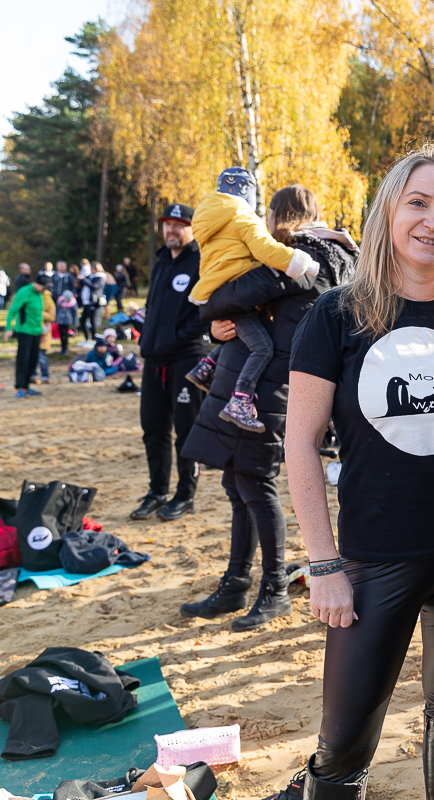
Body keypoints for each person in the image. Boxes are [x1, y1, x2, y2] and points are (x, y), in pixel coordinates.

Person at [262, 147, 434, 800]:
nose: (433, 222)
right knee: (344, 745)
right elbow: (299, 446)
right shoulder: (337, 315)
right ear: (388, 210)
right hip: (372, 561)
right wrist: (323, 565)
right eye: (418, 203)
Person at [179, 185, 350, 632]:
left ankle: (273, 590)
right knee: (239, 485)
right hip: (274, 383)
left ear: (278, 216)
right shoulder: (341, 257)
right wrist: (221, 330)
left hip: (273, 388)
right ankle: (236, 582)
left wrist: (210, 316)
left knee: (254, 484)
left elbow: (223, 296)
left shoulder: (301, 258)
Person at [185, 167, 319, 433]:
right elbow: (264, 249)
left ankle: (205, 366)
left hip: (219, 291)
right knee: (262, 347)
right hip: (237, 292)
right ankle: (241, 401)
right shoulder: (242, 216)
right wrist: (298, 261)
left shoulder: (211, 219)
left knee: (247, 332)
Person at [131, 204, 209, 522]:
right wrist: (147, 337)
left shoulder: (201, 261)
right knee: (153, 428)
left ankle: (185, 495)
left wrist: (174, 338)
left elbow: (205, 312)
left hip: (186, 359)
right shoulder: (161, 262)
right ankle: (157, 491)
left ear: (191, 229)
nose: (171, 230)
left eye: (178, 225)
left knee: (186, 431)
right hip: (154, 360)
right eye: (167, 224)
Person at [5, 273, 52, 398]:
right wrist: (8, 328)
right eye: (44, 287)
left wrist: (41, 331)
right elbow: (12, 311)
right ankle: (18, 388)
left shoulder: (40, 294)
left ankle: (26, 387)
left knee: (32, 361)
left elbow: (37, 314)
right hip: (24, 331)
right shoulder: (24, 292)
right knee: (23, 360)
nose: (44, 290)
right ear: (37, 284)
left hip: (37, 332)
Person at [56, 289, 78, 354]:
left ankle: (65, 349)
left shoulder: (73, 303)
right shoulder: (60, 301)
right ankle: (62, 348)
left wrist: (75, 324)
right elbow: (57, 310)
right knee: (60, 334)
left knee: (66, 335)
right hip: (60, 320)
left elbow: (75, 314)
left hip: (68, 321)